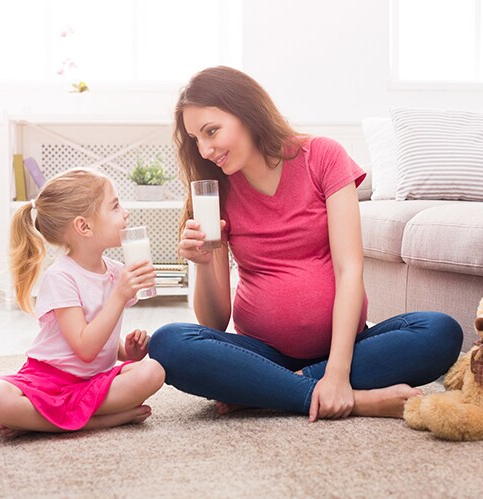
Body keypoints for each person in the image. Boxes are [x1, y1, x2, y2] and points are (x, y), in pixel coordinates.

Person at [148, 66, 463, 421]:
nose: (204, 150)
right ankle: (349, 399)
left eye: (211, 131)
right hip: (261, 352)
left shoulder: (322, 157)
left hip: (346, 348)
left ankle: (266, 390)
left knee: (440, 331)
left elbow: (349, 271)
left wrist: (338, 373)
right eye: (195, 140)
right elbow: (214, 323)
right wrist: (203, 265)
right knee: (168, 343)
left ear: (246, 111)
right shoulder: (215, 192)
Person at [0, 168, 165, 436]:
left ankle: (38, 420)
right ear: (84, 226)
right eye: (114, 206)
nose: (125, 213)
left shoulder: (114, 270)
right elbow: (85, 348)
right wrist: (120, 295)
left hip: (92, 382)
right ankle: (99, 420)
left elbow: (102, 341)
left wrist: (127, 352)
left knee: (153, 372)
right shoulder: (60, 276)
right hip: (49, 381)